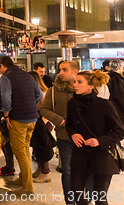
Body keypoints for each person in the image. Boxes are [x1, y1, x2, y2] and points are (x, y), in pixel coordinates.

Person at [66, 70, 124, 205]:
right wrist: (73, 134)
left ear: (91, 86)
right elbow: (69, 125)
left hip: (102, 156)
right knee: (77, 196)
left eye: (80, 82)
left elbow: (120, 131)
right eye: (75, 81)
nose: (75, 85)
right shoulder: (72, 104)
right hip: (80, 155)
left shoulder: (104, 105)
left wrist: (99, 140)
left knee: (100, 198)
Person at [0, 56, 42, 194]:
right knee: (24, 150)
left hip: (18, 119)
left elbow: (5, 99)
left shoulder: (6, 77)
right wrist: (30, 105)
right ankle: (23, 178)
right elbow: (39, 94)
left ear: (1, 66)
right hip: (32, 118)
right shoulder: (27, 75)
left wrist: (6, 115)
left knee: (20, 152)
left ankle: (28, 187)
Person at [40, 60, 79, 204]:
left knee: (86, 172)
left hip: (85, 137)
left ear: (75, 71)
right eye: (60, 69)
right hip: (64, 137)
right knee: (68, 172)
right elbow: (44, 109)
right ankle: (70, 202)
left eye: (64, 69)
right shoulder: (54, 90)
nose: (60, 72)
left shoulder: (83, 88)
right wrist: (59, 120)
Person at [28, 71, 54, 184]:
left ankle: (45, 172)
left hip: (43, 123)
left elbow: (46, 109)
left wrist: (42, 123)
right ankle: (40, 170)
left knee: (43, 148)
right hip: (40, 122)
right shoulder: (40, 91)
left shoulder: (43, 93)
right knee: (37, 148)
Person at [107, 59, 124, 127]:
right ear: (119, 68)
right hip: (119, 112)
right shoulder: (117, 79)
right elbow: (120, 96)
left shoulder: (106, 78)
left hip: (110, 110)